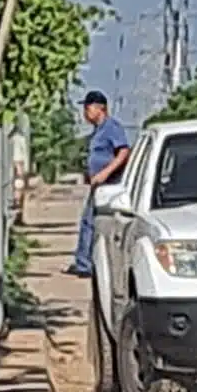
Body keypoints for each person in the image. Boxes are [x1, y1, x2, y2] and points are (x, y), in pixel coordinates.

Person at [68, 92, 135, 277]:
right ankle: (83, 263)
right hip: (98, 185)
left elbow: (123, 152)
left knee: (93, 222)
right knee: (88, 221)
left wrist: (105, 172)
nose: (85, 112)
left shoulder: (112, 128)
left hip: (110, 184)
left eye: (88, 108)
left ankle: (85, 265)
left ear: (100, 108)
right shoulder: (98, 131)